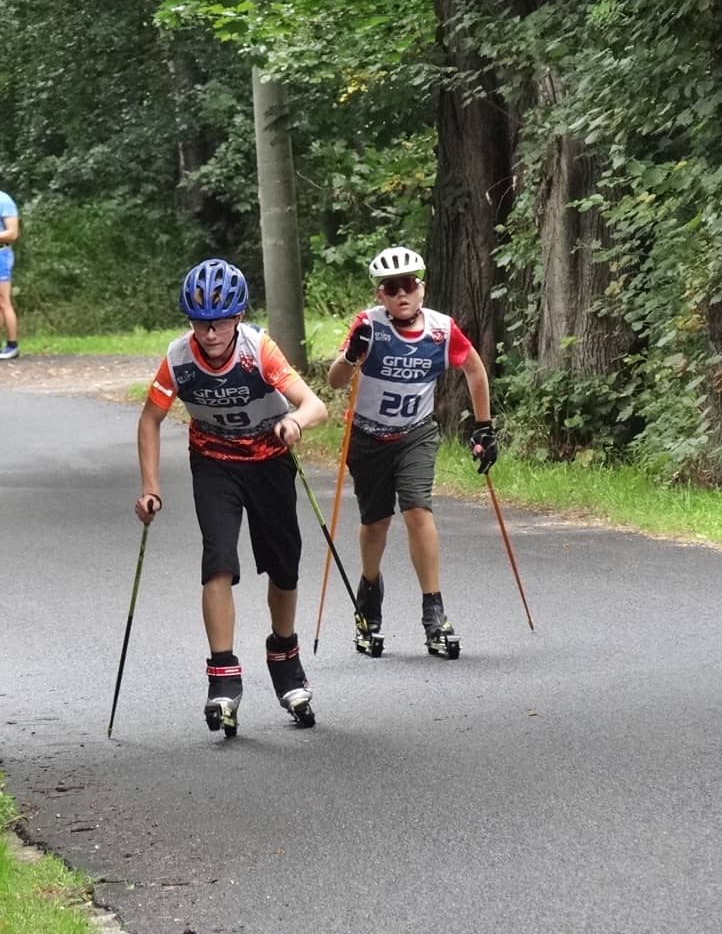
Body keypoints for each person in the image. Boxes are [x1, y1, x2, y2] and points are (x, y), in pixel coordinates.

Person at [135, 258, 328, 735]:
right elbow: (150, 420)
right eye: (199, 322)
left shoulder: (258, 350)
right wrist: (150, 487)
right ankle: (222, 674)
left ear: (238, 317)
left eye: (220, 321)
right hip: (214, 462)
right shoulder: (179, 358)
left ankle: (284, 655)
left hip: (269, 459)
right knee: (218, 559)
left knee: (283, 566)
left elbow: (315, 405)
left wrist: (294, 422)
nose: (210, 332)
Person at [328, 245, 497, 659]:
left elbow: (474, 369)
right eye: (391, 288)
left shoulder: (441, 330)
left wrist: (484, 427)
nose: (401, 294)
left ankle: (434, 614)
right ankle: (369, 599)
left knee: (418, 510)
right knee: (376, 524)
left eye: (407, 285)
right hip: (368, 438)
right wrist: (351, 355)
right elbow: (335, 381)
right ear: (380, 295)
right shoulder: (368, 325)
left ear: (422, 288)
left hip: (415, 434)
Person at [0, 189, 20, 361]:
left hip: (1, 255)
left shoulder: (4, 200)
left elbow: (12, 233)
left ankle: (12, 345)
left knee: (3, 301)